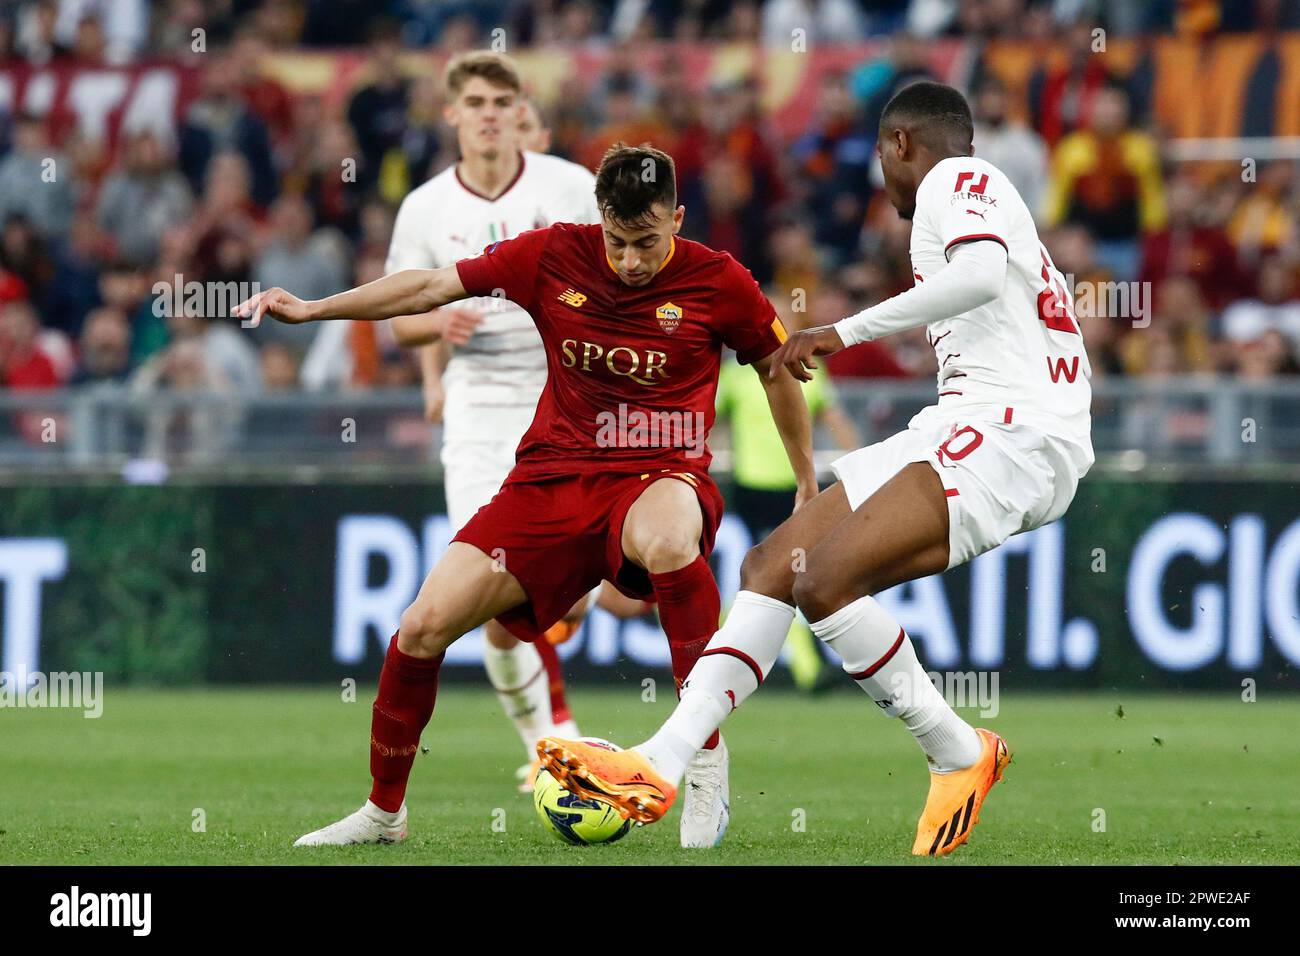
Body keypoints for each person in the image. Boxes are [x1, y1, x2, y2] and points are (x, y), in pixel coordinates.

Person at [537, 81, 1095, 858]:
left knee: (825, 582)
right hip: (961, 422)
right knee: (773, 564)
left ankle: (958, 751)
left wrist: (841, 330)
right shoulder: (964, 194)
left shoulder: (957, 178)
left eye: (878, 156)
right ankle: (660, 763)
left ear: (901, 144)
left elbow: (976, 278)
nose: (881, 177)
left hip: (1016, 432)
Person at [233, 141, 817, 850]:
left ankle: (703, 760)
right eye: (618, 240)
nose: (631, 260)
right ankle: (384, 816)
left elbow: (778, 372)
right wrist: (317, 308)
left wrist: (808, 481)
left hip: (661, 472)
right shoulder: (552, 254)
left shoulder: (718, 280)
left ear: (679, 218)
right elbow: (429, 288)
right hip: (550, 479)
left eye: (648, 242)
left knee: (667, 542)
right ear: (598, 218)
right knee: (420, 628)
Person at [384, 53, 641, 795]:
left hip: (569, 402)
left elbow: (624, 271)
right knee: (489, 594)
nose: (490, 113)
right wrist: (438, 320)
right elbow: (398, 325)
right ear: (453, 114)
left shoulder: (566, 186)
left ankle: (582, 603)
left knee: (549, 589)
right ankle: (551, 748)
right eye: (475, 101)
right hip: (476, 414)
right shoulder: (427, 206)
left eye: (502, 99)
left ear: (519, 108)